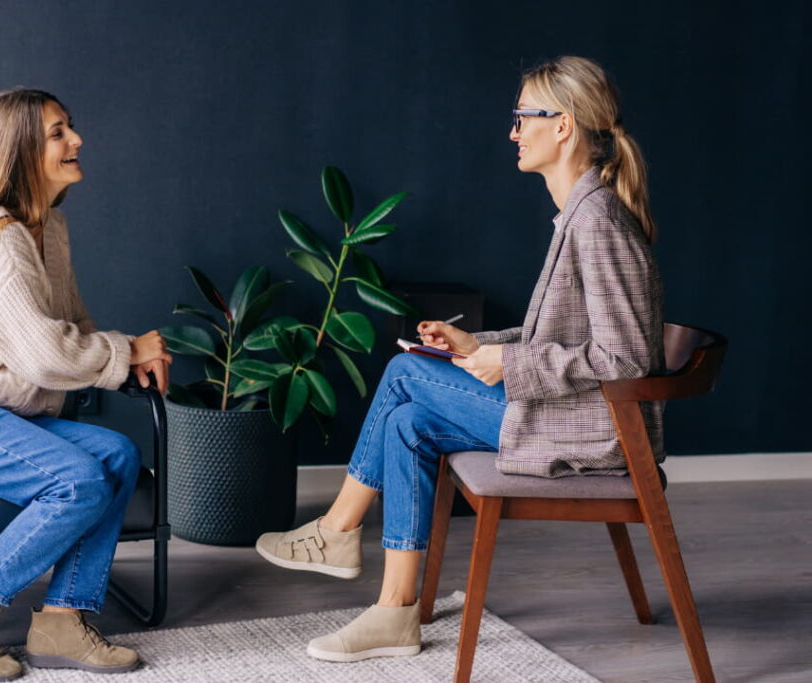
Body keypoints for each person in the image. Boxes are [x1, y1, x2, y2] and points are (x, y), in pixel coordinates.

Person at [255, 55, 664, 663]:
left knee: (401, 373)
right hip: (570, 414)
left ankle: (339, 530)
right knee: (407, 421)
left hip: (595, 433)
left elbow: (625, 357)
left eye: (524, 116)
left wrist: (513, 368)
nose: (513, 131)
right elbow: (558, 331)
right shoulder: (579, 214)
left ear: (564, 126)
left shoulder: (597, 221)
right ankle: (395, 612)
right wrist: (482, 346)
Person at [0, 88, 171, 681]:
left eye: (72, 126)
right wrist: (125, 351)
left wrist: (127, 358)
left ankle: (64, 620)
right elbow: (44, 356)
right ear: (19, 152)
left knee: (117, 454)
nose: (77, 140)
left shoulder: (50, 227)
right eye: (58, 132)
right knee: (76, 481)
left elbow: (71, 325)